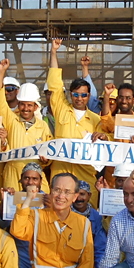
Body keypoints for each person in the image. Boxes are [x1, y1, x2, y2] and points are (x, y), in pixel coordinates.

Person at [47, 39, 101, 206]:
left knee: (88, 214)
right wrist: (54, 52)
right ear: (70, 95)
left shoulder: (96, 119)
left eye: (84, 95)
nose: (79, 98)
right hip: (60, 174)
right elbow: (55, 84)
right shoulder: (61, 109)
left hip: (85, 175)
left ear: (89, 96)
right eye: (76, 95)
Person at [0, 59, 53, 192]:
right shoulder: (11, 120)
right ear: (18, 104)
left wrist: (46, 160)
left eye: (29, 105)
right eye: (22, 104)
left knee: (40, 207)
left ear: (35, 106)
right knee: (13, 209)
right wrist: (1, 73)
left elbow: (49, 154)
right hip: (12, 174)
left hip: (35, 175)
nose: (25, 108)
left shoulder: (43, 126)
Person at [71, 181, 107, 268]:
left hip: (89, 265)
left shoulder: (96, 216)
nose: (78, 198)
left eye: (82, 194)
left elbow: (100, 246)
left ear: (89, 195)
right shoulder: (65, 213)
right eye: (76, 194)